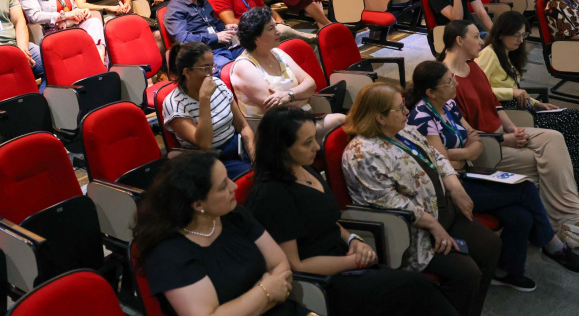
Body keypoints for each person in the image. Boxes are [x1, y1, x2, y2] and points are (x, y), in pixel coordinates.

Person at [247, 106, 459, 316]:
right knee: (417, 291)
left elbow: (327, 220)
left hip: (343, 258)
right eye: (307, 143)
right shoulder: (272, 195)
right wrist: (352, 261)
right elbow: (296, 265)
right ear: (282, 148)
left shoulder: (304, 168)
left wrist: (352, 240)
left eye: (314, 139)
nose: (317, 148)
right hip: (325, 283)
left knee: (419, 290)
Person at [405, 60, 579, 289]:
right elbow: (441, 162)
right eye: (449, 81)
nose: (455, 83)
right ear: (431, 92)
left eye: (453, 78)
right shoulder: (422, 117)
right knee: (525, 188)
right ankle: (553, 245)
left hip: (467, 171)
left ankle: (507, 272)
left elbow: (474, 139)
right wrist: (465, 151)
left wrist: (462, 153)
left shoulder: (448, 105)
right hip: (448, 188)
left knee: (520, 216)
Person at [341, 82, 500, 316]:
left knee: (491, 246)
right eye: (400, 108)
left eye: (404, 105)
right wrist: (433, 224)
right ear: (380, 117)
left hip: (444, 211)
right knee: (467, 274)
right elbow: (388, 202)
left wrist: (455, 187)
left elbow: (437, 156)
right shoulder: (362, 153)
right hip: (414, 231)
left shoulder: (403, 130)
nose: (407, 111)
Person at [440, 20, 579, 242]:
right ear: (459, 40)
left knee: (555, 139)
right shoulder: (446, 81)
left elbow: (493, 102)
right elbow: (465, 132)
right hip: (487, 146)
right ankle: (567, 222)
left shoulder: (472, 66)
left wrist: (511, 128)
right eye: (475, 37)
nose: (481, 41)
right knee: (545, 164)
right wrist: (504, 138)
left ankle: (565, 221)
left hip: (501, 133)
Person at [135, 151, 311, 316]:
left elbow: (281, 265)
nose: (234, 186)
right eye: (223, 186)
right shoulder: (168, 254)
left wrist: (254, 302)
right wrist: (266, 291)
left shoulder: (234, 215)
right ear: (198, 204)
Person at [476, 11, 579, 171]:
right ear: (502, 34)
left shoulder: (507, 53)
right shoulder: (489, 54)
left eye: (524, 35)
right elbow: (477, 89)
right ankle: (573, 171)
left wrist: (537, 103)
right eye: (517, 35)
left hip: (521, 108)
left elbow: (516, 89)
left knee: (572, 119)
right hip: (511, 113)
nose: (521, 40)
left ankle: (572, 169)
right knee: (572, 119)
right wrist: (511, 93)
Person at [232, 7, 343, 139]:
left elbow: (311, 84)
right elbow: (276, 110)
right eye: (271, 28)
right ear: (256, 38)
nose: (278, 31)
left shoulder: (277, 53)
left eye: (276, 26)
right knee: (342, 121)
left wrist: (289, 95)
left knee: (349, 122)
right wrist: (304, 96)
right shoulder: (244, 66)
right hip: (274, 131)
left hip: (298, 121)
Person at [162, 43, 255, 177]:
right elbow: (204, 143)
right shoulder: (174, 103)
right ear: (187, 72)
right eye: (205, 68)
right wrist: (204, 99)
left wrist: (254, 158)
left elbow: (243, 126)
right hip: (209, 160)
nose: (211, 72)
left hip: (237, 147)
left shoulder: (218, 84)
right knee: (255, 178)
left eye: (212, 66)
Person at [165, 0, 244, 71]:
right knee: (236, 69)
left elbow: (213, 22)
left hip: (223, 48)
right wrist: (216, 37)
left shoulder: (202, 1)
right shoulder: (175, 9)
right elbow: (183, 40)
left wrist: (225, 27)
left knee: (256, 52)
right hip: (203, 57)